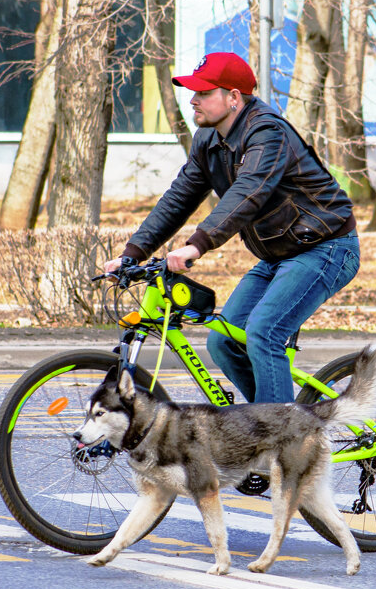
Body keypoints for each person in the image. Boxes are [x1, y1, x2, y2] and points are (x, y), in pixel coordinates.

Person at [105, 52, 360, 409]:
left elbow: (248, 193)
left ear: (233, 97)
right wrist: (132, 253)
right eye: (192, 91)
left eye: (204, 92)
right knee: (223, 341)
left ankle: (282, 443)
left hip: (326, 248)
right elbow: (179, 198)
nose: (193, 99)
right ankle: (271, 423)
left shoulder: (267, 132)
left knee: (263, 333)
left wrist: (197, 245)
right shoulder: (207, 139)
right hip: (277, 256)